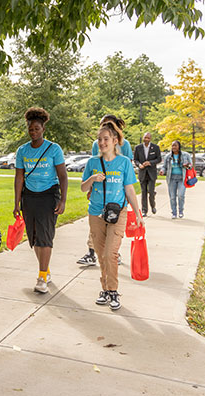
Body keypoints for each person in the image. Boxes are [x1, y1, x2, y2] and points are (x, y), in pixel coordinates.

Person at [81, 121, 143, 310]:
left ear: (115, 140)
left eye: (106, 139)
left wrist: (138, 214)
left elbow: (130, 189)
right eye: (99, 139)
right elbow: (84, 188)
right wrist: (92, 179)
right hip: (96, 213)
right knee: (101, 255)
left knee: (111, 253)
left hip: (118, 213)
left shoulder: (124, 162)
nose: (102, 142)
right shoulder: (92, 162)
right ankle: (105, 290)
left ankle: (113, 290)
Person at [13, 107, 67, 294]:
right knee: (34, 237)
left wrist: (63, 200)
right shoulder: (22, 151)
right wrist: (16, 203)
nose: (33, 132)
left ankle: (42, 276)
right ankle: (46, 269)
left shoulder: (54, 149)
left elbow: (63, 176)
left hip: (49, 195)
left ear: (43, 129)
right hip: (29, 196)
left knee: (45, 236)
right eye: (30, 128)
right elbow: (19, 177)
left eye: (36, 128)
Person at [77, 114, 132, 267]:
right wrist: (92, 186)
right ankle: (91, 252)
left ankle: (114, 253)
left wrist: (125, 194)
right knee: (97, 221)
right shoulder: (97, 143)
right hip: (99, 190)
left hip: (116, 192)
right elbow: (94, 165)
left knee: (113, 223)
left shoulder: (124, 144)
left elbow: (127, 169)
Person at [160, 140, 192, 219]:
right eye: (172, 145)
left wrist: (187, 165)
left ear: (179, 146)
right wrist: (162, 170)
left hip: (182, 178)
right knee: (172, 197)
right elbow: (164, 166)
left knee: (181, 195)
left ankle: (181, 211)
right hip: (171, 179)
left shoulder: (185, 155)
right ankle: (174, 212)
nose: (173, 147)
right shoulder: (168, 156)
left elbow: (191, 166)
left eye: (175, 145)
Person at [133, 132, 162, 216]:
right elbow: (135, 160)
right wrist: (139, 165)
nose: (146, 139)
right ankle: (144, 210)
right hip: (142, 173)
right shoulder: (138, 148)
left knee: (151, 191)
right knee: (143, 192)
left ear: (150, 139)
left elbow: (159, 159)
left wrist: (150, 162)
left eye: (148, 138)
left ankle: (153, 205)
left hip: (151, 173)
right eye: (145, 137)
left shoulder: (155, 147)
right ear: (143, 138)